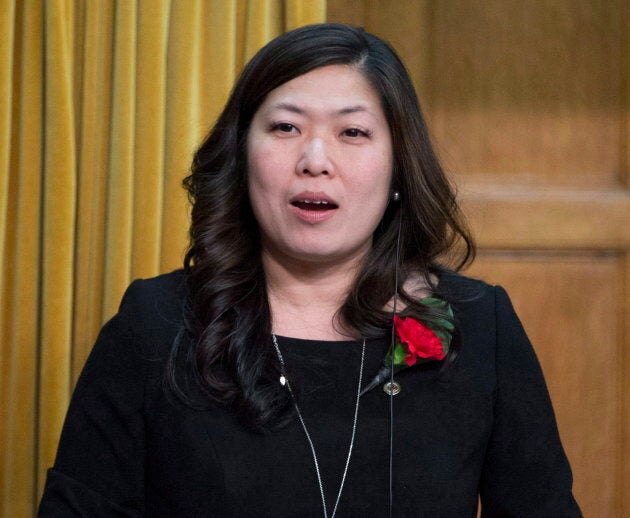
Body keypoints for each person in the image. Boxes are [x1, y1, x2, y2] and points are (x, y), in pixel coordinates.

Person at [39, 23, 582, 517]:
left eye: (353, 133)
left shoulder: (478, 326)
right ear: (240, 155)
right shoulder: (155, 325)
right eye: (285, 127)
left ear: (398, 169)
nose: (315, 160)